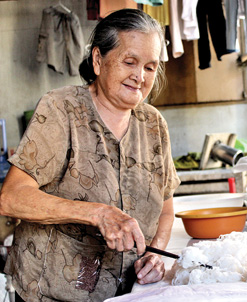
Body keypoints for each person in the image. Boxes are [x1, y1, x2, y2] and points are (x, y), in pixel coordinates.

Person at [0, 9, 180, 302]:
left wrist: (155, 253)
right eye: (129, 62)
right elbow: (11, 198)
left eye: (150, 67)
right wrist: (97, 213)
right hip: (52, 293)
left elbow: (166, 210)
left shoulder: (153, 124)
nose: (140, 76)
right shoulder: (61, 110)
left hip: (126, 293)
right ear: (98, 60)